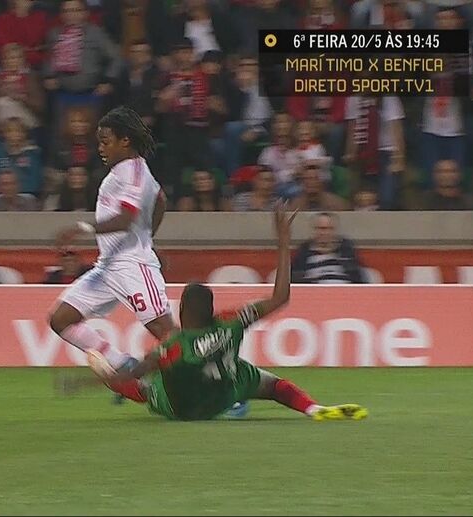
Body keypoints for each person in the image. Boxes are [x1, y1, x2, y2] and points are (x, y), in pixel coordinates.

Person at [87, 204, 367, 422]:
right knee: (273, 386)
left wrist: (95, 379)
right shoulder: (230, 322)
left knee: (145, 389)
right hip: (227, 391)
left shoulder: (173, 347)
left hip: (186, 410)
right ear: (211, 310)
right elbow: (280, 297)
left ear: (182, 311)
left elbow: (134, 373)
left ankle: (106, 369)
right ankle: (312, 408)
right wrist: (283, 243)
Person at [50, 106, 174, 372]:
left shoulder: (134, 171)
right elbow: (160, 199)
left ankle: (213, 380)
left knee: (169, 335)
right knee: (61, 319)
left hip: (132, 266)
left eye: (106, 142)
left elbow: (125, 219)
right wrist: (147, 236)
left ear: (125, 141)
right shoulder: (126, 171)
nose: (101, 149)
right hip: (107, 267)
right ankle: (123, 365)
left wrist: (82, 228)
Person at [291, 212, 365, 284]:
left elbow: (358, 280)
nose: (325, 233)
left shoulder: (347, 252)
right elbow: (296, 280)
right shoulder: (303, 253)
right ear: (314, 230)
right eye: (321, 228)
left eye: (329, 229)